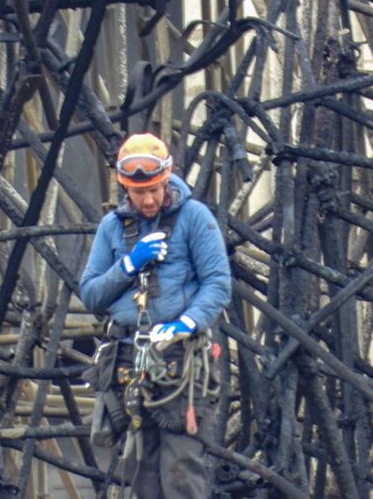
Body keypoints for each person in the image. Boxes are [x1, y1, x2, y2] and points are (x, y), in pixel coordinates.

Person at [80, 132, 231, 498]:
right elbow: (90, 294)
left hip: (181, 363)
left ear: (166, 179)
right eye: (138, 192)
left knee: (182, 473)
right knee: (141, 475)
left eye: (154, 190)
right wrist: (128, 264)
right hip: (130, 361)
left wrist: (187, 323)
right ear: (125, 188)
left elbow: (218, 282)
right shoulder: (113, 228)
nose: (148, 199)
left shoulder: (194, 218)